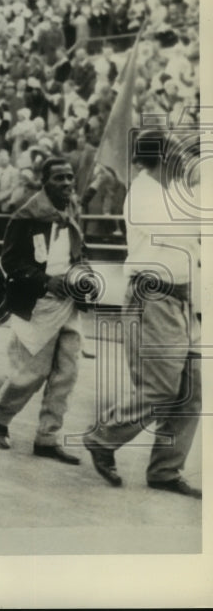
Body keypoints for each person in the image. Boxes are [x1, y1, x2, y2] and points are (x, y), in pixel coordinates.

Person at [81, 130, 201, 498]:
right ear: (161, 158)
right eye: (177, 153)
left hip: (181, 299)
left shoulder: (172, 191)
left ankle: (166, 470)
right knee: (161, 389)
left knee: (192, 390)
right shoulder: (145, 193)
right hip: (153, 297)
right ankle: (104, 436)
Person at [0, 157, 87, 464]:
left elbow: (79, 251)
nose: (67, 183)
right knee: (33, 373)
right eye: (59, 178)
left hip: (69, 302)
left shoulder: (71, 211)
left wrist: (82, 275)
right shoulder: (25, 216)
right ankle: (0, 414)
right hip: (38, 303)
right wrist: (45, 281)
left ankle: (47, 437)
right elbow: (11, 262)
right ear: (45, 183)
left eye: (70, 177)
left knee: (67, 374)